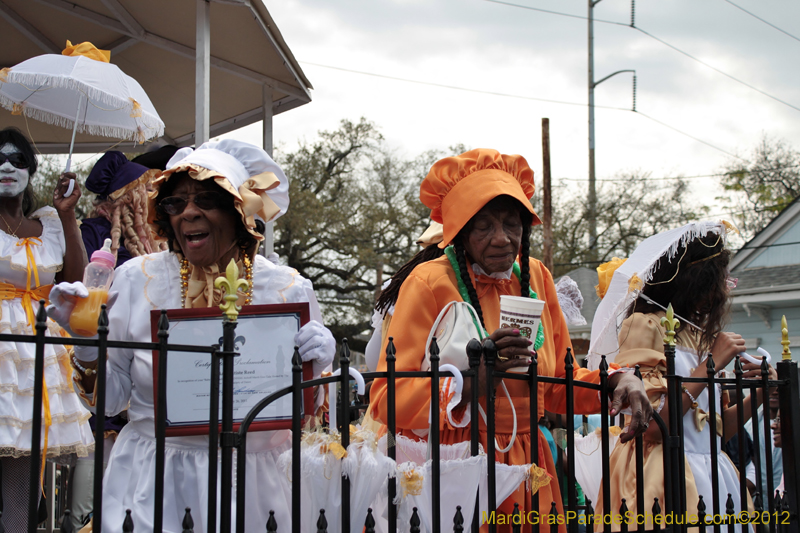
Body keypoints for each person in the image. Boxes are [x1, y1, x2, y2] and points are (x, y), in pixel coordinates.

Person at [47, 139, 336, 532]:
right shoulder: (136, 280)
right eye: (175, 203)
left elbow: (306, 410)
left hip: (257, 486)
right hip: (154, 481)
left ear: (238, 211)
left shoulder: (288, 289)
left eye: (206, 199)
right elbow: (109, 400)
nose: (189, 212)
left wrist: (318, 368)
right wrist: (85, 346)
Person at [369, 149, 651, 532]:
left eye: (512, 224)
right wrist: (473, 384)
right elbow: (387, 398)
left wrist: (618, 380)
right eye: (483, 226)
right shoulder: (428, 282)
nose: (502, 238)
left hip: (527, 465)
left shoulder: (537, 277)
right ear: (460, 231)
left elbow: (557, 384)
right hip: (456, 464)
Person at [590, 221, 776, 530]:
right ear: (695, 282)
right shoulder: (645, 324)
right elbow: (651, 427)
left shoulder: (699, 336)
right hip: (661, 476)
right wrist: (710, 364)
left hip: (714, 475)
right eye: (718, 281)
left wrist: (758, 392)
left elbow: (713, 433)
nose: (722, 292)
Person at [0, 127, 94, 530]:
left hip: (37, 359)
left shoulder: (50, 223)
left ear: (31, 170)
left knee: (22, 475)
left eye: (18, 159)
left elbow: (76, 280)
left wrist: (68, 213)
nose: (7, 166)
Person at [80, 150, 164, 262]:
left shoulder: (153, 234)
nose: (156, 196)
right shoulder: (92, 231)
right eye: (149, 190)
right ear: (127, 198)